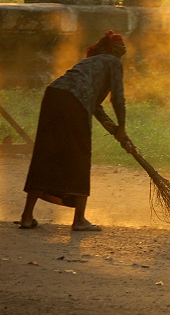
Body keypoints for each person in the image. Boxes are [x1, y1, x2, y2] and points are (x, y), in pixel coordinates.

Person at [18, 30, 132, 231]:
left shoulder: (91, 64)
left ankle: (26, 217)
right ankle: (79, 219)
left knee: (45, 154)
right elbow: (118, 99)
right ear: (115, 51)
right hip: (73, 102)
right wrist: (122, 127)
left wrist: (117, 131)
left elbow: (95, 107)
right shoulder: (113, 62)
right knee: (79, 155)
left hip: (53, 95)